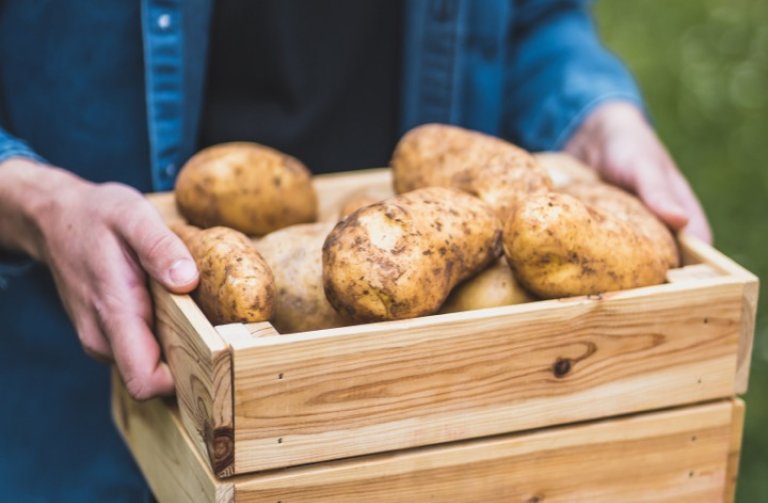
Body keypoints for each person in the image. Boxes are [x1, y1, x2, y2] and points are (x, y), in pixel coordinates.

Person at [0, 1, 711, 500]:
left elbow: (536, 17)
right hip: (77, 405)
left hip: (447, 396)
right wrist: (33, 202)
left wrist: (589, 109)